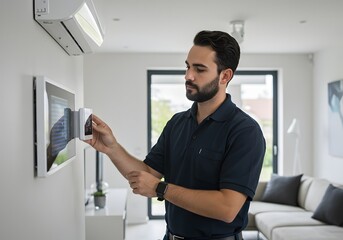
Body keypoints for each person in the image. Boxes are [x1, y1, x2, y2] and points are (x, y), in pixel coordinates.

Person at [86, 30, 266, 240]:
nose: (188, 76)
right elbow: (147, 175)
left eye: (199, 69)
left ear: (225, 76)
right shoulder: (177, 123)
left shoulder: (245, 131)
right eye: (188, 66)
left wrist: (160, 189)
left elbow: (227, 208)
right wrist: (111, 148)